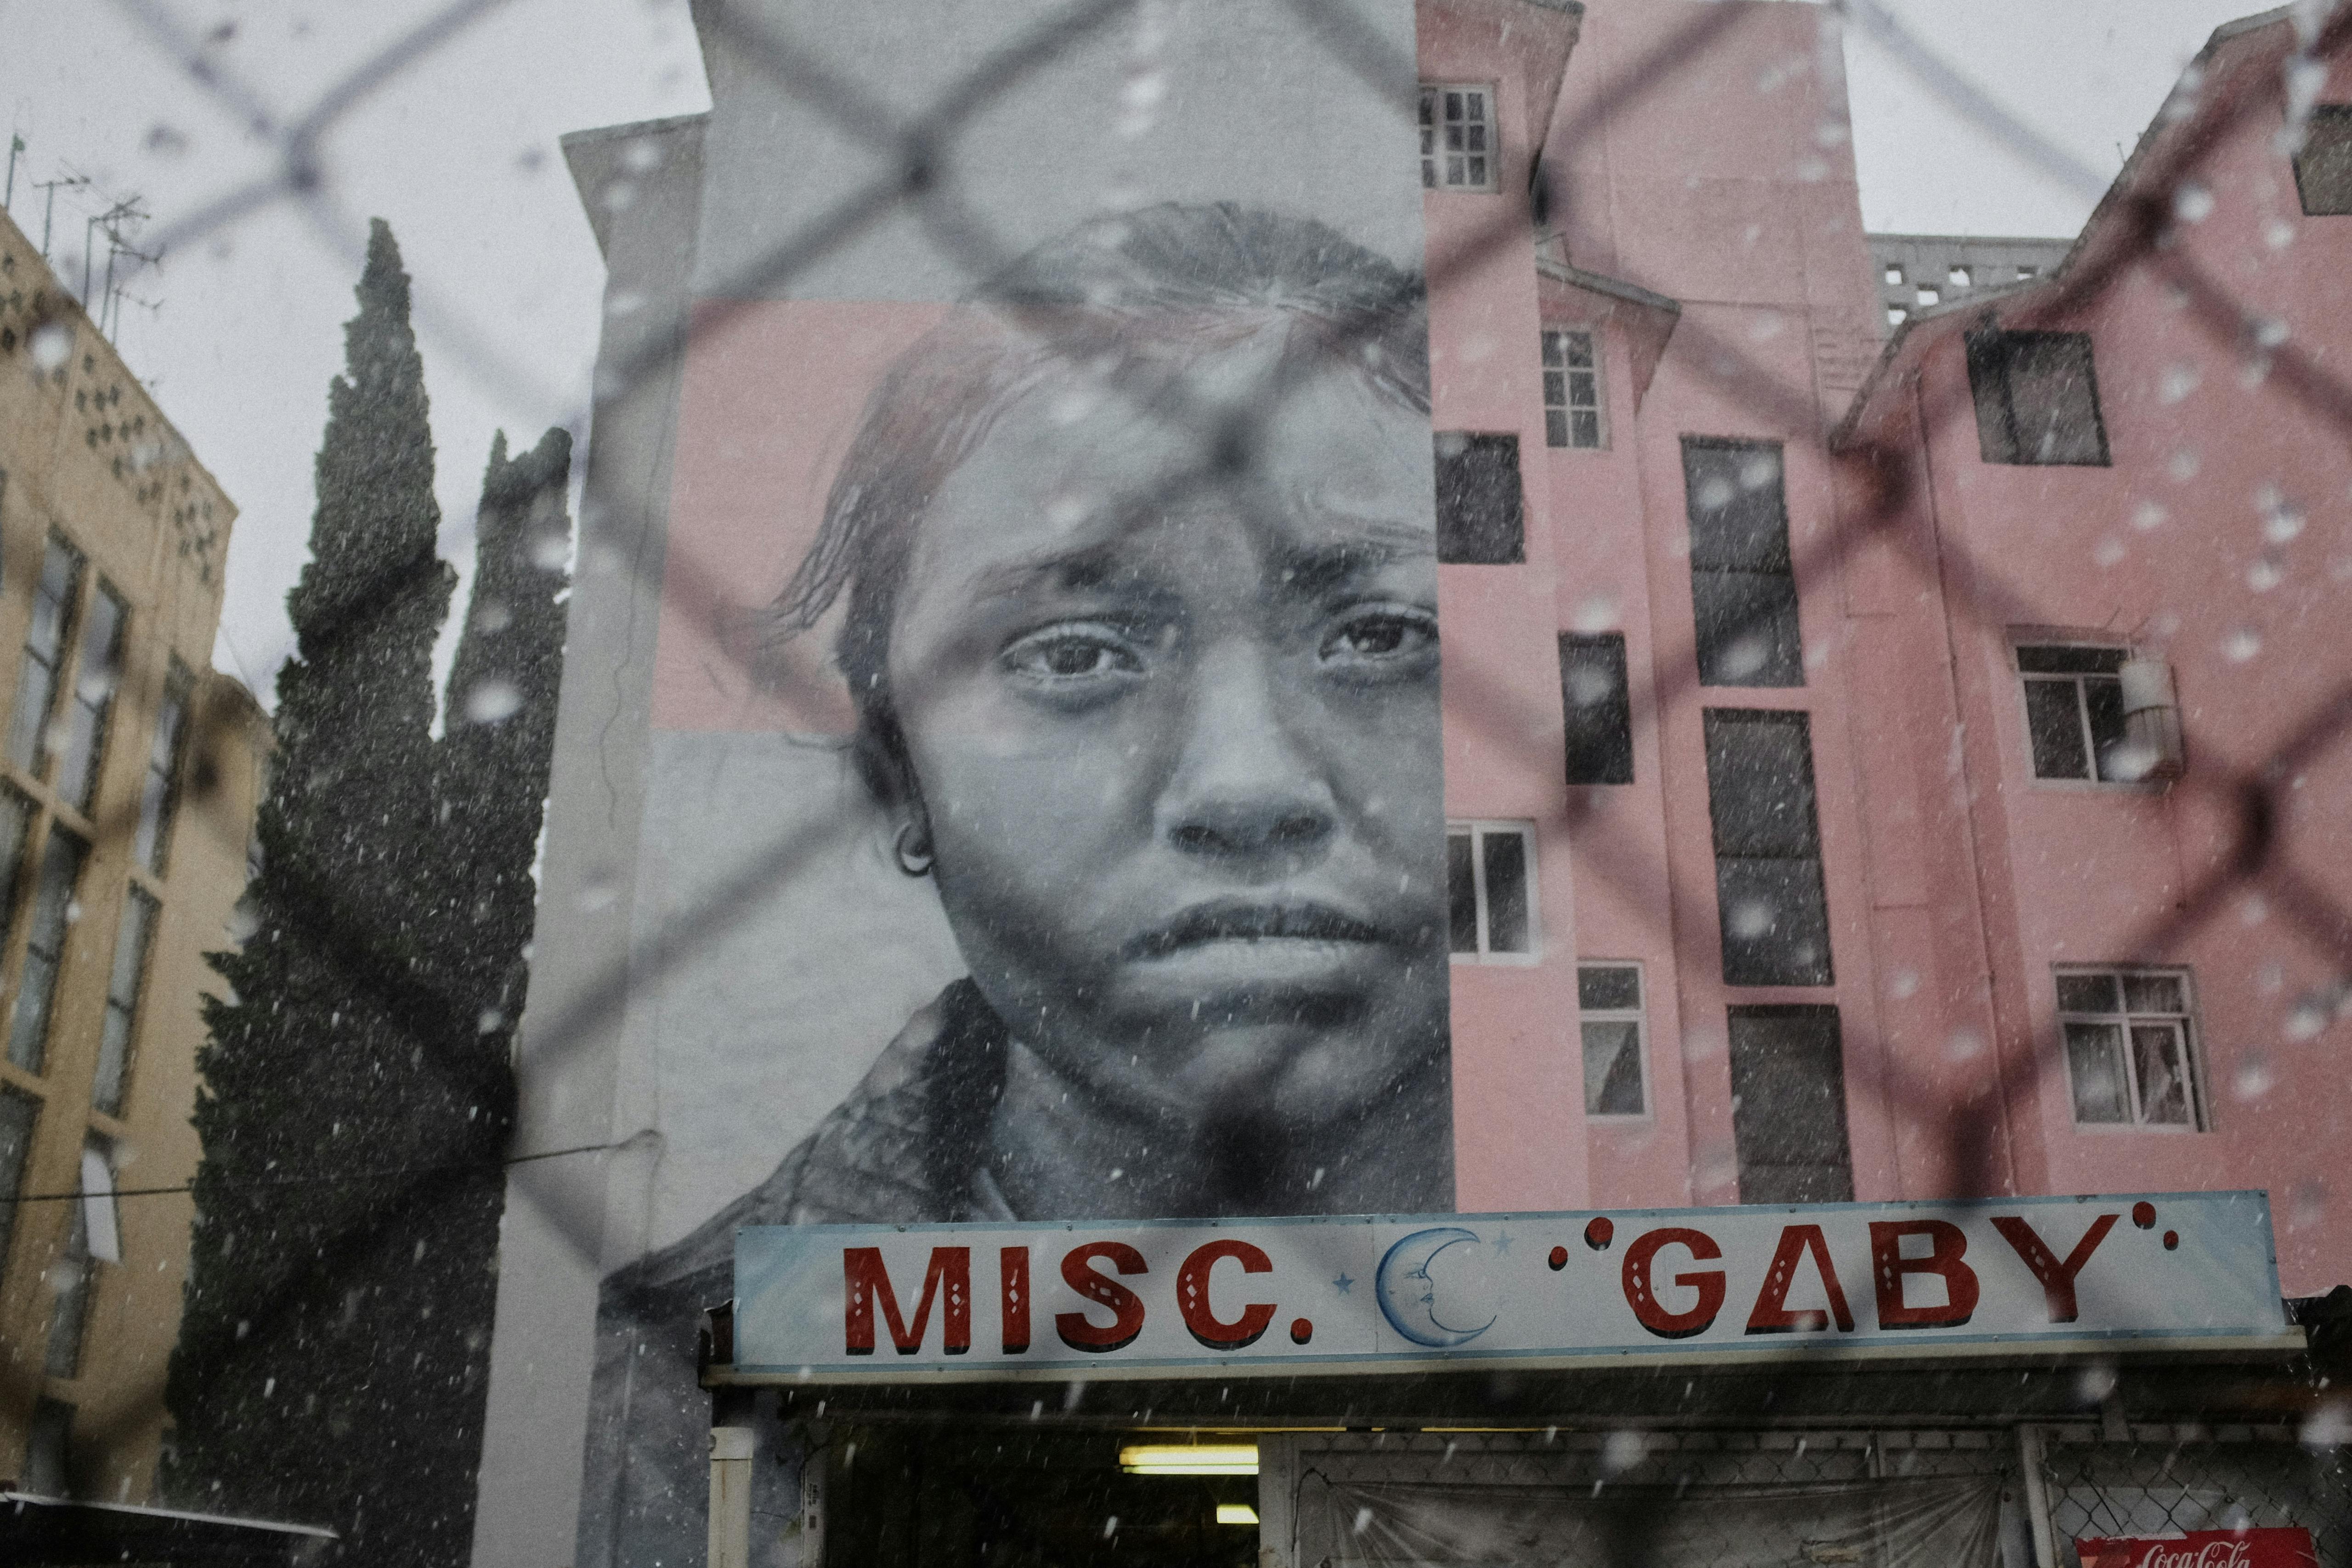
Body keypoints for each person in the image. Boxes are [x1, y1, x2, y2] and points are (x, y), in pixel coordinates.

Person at [580, 202, 1452, 1565]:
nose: (1243, 785)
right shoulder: (644, 1396)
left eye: (1383, 632)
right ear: (896, 776)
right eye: (1075, 652)